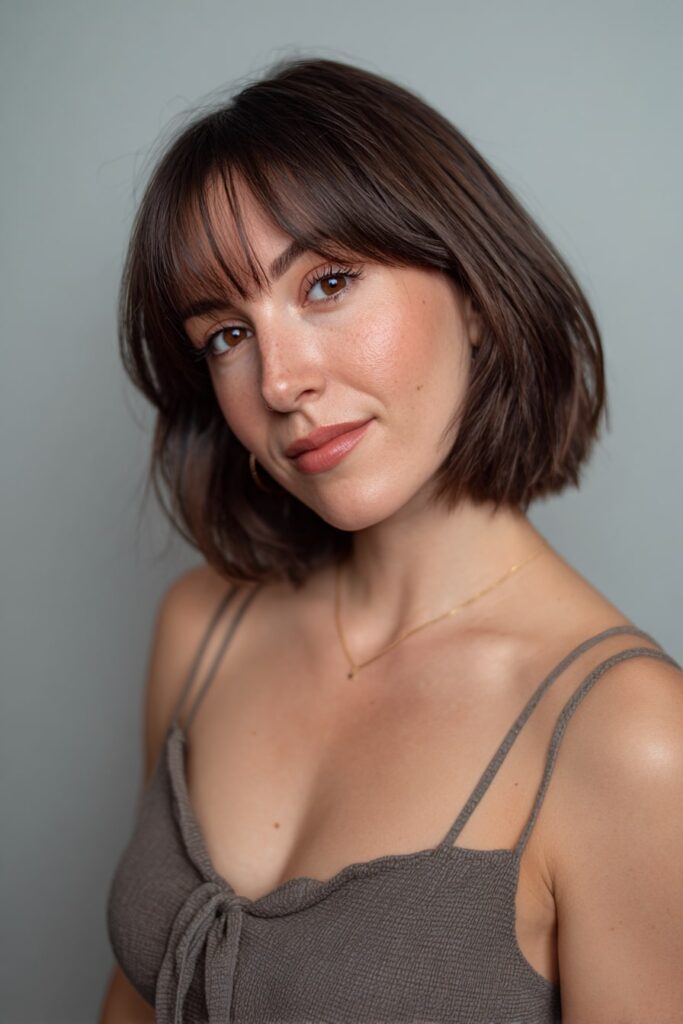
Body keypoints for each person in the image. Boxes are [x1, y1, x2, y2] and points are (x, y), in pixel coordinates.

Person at [100, 57, 683, 1024]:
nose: (279, 382)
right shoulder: (201, 628)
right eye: (225, 336)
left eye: (326, 282)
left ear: (477, 290)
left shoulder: (633, 743)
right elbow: (142, 992)